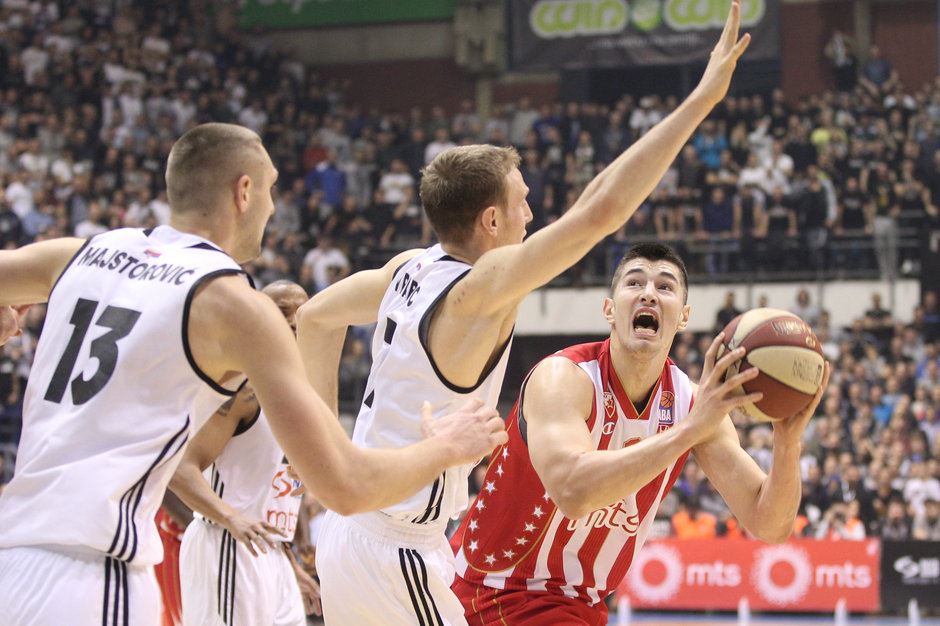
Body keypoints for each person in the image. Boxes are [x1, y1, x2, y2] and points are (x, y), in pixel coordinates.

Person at [297, 5, 752, 624]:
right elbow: (599, 212)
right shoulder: (480, 288)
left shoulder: (408, 268)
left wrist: (325, 456)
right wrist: (700, 101)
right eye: (523, 203)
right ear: (491, 220)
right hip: (397, 546)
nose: (532, 216)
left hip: (352, 532)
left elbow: (315, 318)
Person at [0, 123, 505, 626]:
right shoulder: (232, 303)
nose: (272, 207)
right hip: (93, 574)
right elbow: (347, 488)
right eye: (271, 189)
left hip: (14, 554)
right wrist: (447, 447)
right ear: (244, 192)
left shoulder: (79, 253)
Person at [451, 243, 829, 625]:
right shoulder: (563, 377)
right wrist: (689, 431)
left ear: (683, 317)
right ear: (609, 309)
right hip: (494, 590)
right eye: (634, 283)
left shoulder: (693, 405)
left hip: (579, 603)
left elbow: (769, 524)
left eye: (665, 286)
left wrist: (787, 443)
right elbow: (573, 491)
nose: (649, 293)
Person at [171, 281, 319, 626]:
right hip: (227, 542)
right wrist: (231, 518)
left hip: (272, 552)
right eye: (281, 311)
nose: (293, 319)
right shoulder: (241, 389)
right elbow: (179, 469)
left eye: (300, 311)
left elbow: (276, 487)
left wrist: (288, 561)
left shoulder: (299, 391)